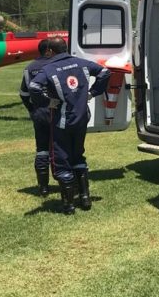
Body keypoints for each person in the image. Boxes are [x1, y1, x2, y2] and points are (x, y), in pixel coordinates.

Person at [29, 37, 110, 214]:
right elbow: (105, 72)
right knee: (78, 155)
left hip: (62, 122)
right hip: (81, 119)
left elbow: (34, 86)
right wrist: (93, 93)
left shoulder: (49, 69)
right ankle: (85, 198)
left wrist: (48, 102)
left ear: (50, 51)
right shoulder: (81, 63)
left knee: (61, 159)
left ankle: (69, 205)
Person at [19, 39, 54, 197]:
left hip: (39, 113)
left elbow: (24, 94)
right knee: (62, 148)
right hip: (57, 112)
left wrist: (32, 110)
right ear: (48, 50)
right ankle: (68, 183)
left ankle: (43, 187)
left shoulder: (29, 68)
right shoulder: (56, 64)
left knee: (42, 150)